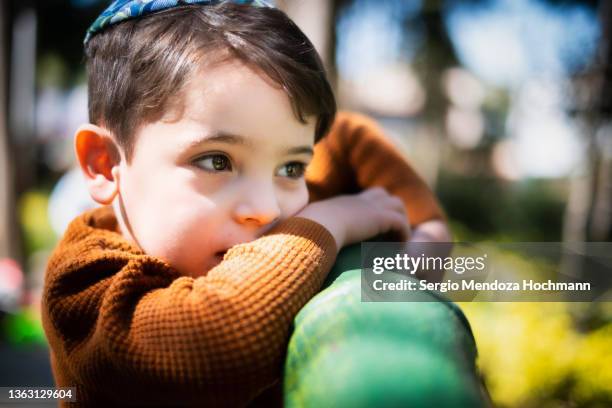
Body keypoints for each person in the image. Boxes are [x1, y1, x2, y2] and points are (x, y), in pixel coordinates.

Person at [41, 1, 450, 406]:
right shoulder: (82, 284)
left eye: (292, 168)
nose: (268, 208)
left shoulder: (279, 200)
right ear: (104, 164)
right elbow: (212, 346)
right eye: (216, 160)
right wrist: (329, 223)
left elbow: (425, 237)